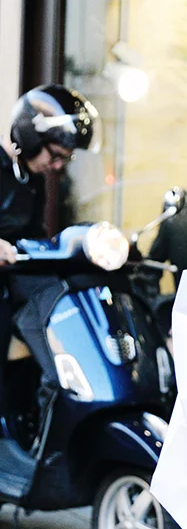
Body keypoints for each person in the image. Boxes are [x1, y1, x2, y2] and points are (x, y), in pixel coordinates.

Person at [0, 85, 101, 401]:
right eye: (55, 155)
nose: (58, 166)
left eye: (65, 158)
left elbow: (37, 236)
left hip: (15, 282)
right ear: (30, 138)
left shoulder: (32, 180)